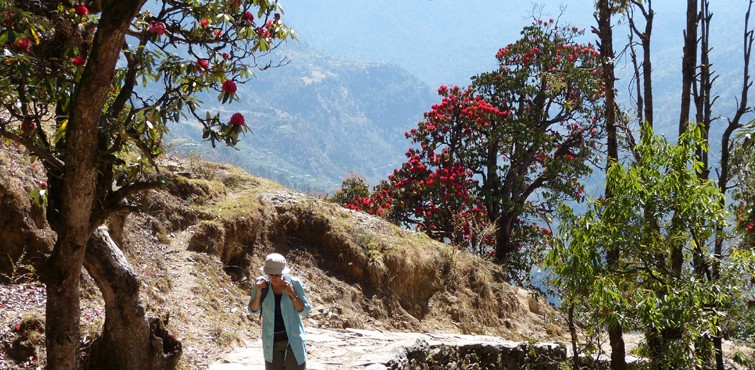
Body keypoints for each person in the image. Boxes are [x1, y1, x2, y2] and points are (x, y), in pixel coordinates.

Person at [248, 253, 311, 370]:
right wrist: (258, 293)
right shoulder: (261, 284)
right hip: (272, 341)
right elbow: (253, 310)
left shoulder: (294, 283)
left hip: (293, 340)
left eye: (277, 274)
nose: (273, 278)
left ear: (283, 273)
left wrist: (292, 293)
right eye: (270, 274)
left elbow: (304, 311)